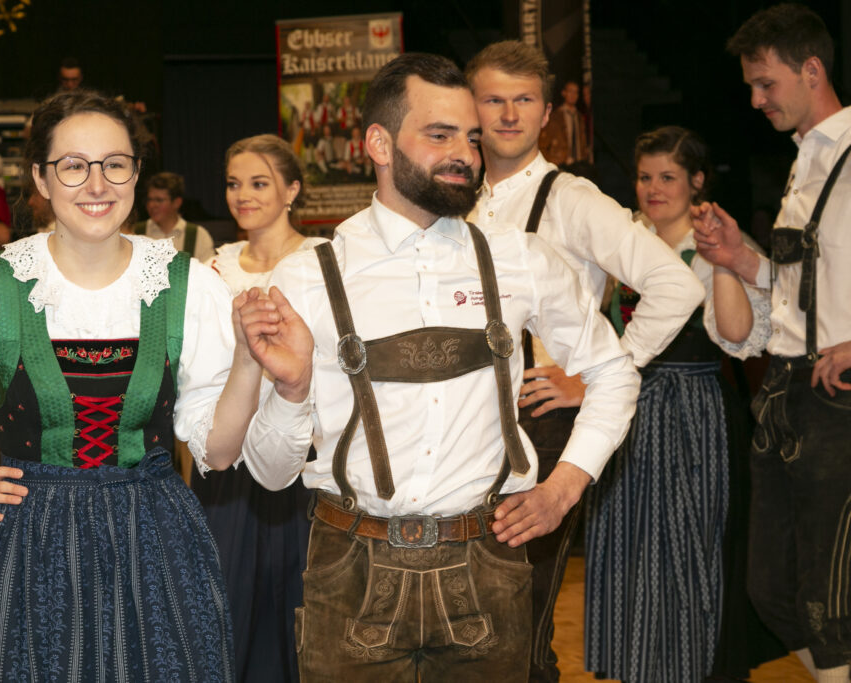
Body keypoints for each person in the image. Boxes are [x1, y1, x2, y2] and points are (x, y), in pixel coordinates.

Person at [0, 89, 267, 681]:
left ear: (135, 174)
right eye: (73, 165)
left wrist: (248, 361)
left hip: (156, 543)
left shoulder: (189, 286)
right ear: (41, 177)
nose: (97, 184)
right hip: (26, 544)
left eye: (115, 164)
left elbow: (216, 451)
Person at [236, 52, 640, 681]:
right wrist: (290, 390)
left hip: (488, 565)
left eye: (472, 138)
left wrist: (563, 489)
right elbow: (267, 473)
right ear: (378, 142)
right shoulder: (310, 276)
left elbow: (613, 372)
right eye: (440, 134)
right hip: (349, 571)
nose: (466, 155)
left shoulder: (521, 259)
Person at [464, 40, 704, 683]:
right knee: (477, 621)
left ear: (547, 114)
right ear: (472, 109)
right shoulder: (459, 199)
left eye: (525, 100)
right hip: (466, 425)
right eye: (494, 99)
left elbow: (677, 285)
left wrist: (597, 372)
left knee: (522, 615)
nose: (509, 113)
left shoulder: (573, 199)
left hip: (542, 424)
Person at [584, 126, 776, 682]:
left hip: (692, 412)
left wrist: (720, 260)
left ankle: (693, 668)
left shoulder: (711, 245)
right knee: (625, 547)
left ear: (696, 181)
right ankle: (636, 665)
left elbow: (739, 336)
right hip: (625, 408)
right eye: (645, 177)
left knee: (689, 550)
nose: (653, 188)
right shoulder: (623, 238)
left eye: (668, 177)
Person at [694, 5, 851, 681]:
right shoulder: (803, 164)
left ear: (811, 70)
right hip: (784, 392)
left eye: (766, 84)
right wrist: (738, 255)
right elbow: (796, 284)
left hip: (838, 399)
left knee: (830, 598)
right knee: (770, 590)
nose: (755, 100)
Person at [195, 133, 327, 683]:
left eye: (258, 183)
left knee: (299, 596)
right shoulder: (212, 268)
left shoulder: (325, 261)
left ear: (292, 189)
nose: (242, 195)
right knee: (227, 603)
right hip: (231, 453)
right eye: (232, 184)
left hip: (303, 450)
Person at [131, 171, 215, 261]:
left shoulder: (199, 236)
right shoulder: (135, 232)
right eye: (149, 199)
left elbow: (209, 272)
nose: (152, 205)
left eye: (159, 200)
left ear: (177, 202)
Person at [539, 80, 586, 167]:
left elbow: (582, 142)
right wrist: (551, 162)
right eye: (570, 91)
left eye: (576, 92)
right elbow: (543, 145)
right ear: (564, 93)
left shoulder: (579, 117)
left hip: (579, 164)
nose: (573, 95)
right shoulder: (555, 116)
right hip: (561, 164)